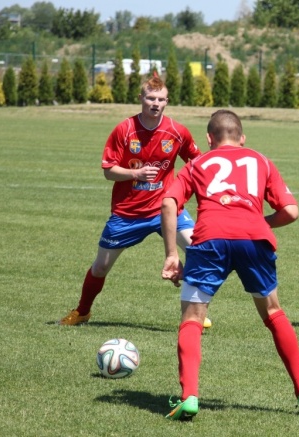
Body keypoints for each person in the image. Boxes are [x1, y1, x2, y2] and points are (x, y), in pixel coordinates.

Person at [160, 109, 299, 420]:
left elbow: (169, 203)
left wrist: (172, 253)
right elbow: (290, 211)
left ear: (209, 139)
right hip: (255, 239)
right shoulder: (261, 160)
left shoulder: (197, 163)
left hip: (210, 239)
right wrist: (254, 223)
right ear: (242, 137)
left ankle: (189, 397)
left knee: (193, 318)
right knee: (274, 313)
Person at [57, 76, 212, 329]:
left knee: (201, 252)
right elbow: (108, 171)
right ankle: (82, 312)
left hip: (167, 210)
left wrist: (188, 187)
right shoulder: (124, 130)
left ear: (167, 102)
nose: (156, 103)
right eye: (151, 98)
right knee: (100, 267)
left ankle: (196, 313)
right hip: (127, 213)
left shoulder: (177, 131)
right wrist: (135, 174)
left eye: (161, 99)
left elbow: (197, 162)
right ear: (140, 99)